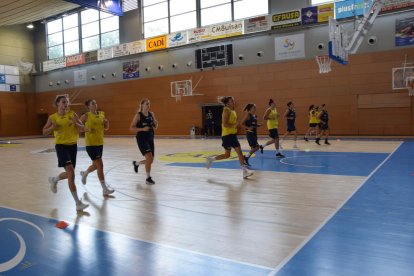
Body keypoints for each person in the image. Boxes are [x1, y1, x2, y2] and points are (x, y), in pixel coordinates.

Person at [43, 95, 89, 212]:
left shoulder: (73, 114)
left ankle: (54, 180)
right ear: (57, 104)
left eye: (67, 102)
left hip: (73, 147)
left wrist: (76, 123)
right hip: (61, 147)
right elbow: (44, 132)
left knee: (70, 174)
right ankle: (78, 203)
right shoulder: (52, 117)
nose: (66, 104)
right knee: (71, 173)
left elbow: (83, 128)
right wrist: (53, 127)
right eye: (64, 102)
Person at [205, 96, 253, 179]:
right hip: (228, 135)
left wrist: (245, 127)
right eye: (231, 101)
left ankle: (211, 159)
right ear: (227, 103)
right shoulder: (226, 110)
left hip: (232, 135)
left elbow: (235, 123)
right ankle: (244, 172)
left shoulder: (232, 110)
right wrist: (234, 125)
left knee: (227, 155)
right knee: (239, 153)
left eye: (233, 100)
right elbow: (224, 124)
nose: (233, 102)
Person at [79, 99, 114, 196]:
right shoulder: (86, 116)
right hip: (91, 144)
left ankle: (85, 173)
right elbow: (78, 126)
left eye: (96, 103)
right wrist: (87, 129)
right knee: (100, 165)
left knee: (96, 165)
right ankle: (104, 189)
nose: (95, 105)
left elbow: (106, 128)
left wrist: (107, 123)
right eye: (93, 103)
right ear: (88, 106)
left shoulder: (102, 114)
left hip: (100, 143)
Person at [129, 98, 158, 185]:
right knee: (149, 158)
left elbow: (155, 126)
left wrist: (156, 123)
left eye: (149, 104)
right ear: (142, 105)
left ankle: (137, 163)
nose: (148, 105)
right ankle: (148, 178)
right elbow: (131, 128)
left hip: (150, 138)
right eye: (146, 104)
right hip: (141, 138)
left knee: (151, 160)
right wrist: (142, 129)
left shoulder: (151, 114)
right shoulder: (138, 115)